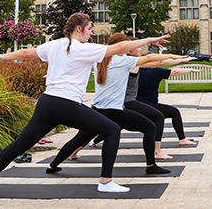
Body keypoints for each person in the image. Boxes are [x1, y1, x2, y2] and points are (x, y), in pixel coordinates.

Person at [0, 13, 170, 194]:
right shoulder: (84, 49)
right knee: (112, 129)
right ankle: (105, 182)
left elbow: (26, 53)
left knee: (19, 145)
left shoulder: (54, 45)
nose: (91, 32)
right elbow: (119, 49)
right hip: (66, 105)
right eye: (89, 28)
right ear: (79, 28)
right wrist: (149, 40)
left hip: (46, 103)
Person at [47, 33, 187, 174]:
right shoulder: (122, 61)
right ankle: (151, 166)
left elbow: (75, 67)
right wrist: (174, 57)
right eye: (126, 46)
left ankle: (53, 165)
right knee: (150, 127)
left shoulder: (98, 60)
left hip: (97, 109)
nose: (128, 49)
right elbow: (150, 58)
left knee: (79, 139)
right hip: (114, 110)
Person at [136, 66, 202, 147]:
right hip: (150, 105)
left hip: (135, 105)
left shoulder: (135, 71)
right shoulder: (155, 72)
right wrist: (191, 70)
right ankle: (182, 139)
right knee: (173, 113)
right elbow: (175, 72)